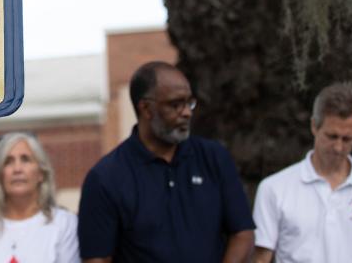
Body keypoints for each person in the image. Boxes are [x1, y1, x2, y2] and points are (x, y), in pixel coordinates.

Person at [77, 61, 254, 262]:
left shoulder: (214, 157)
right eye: (176, 104)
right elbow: (96, 259)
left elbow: (242, 233)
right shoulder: (105, 178)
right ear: (146, 108)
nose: (187, 112)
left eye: (190, 103)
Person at [252, 83, 352, 263]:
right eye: (332, 136)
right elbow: (260, 259)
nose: (338, 147)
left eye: (347, 139)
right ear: (314, 126)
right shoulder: (274, 188)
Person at [0, 132, 80, 263]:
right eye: (8, 162)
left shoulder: (64, 224)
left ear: (41, 173)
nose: (17, 169)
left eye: (25, 159)